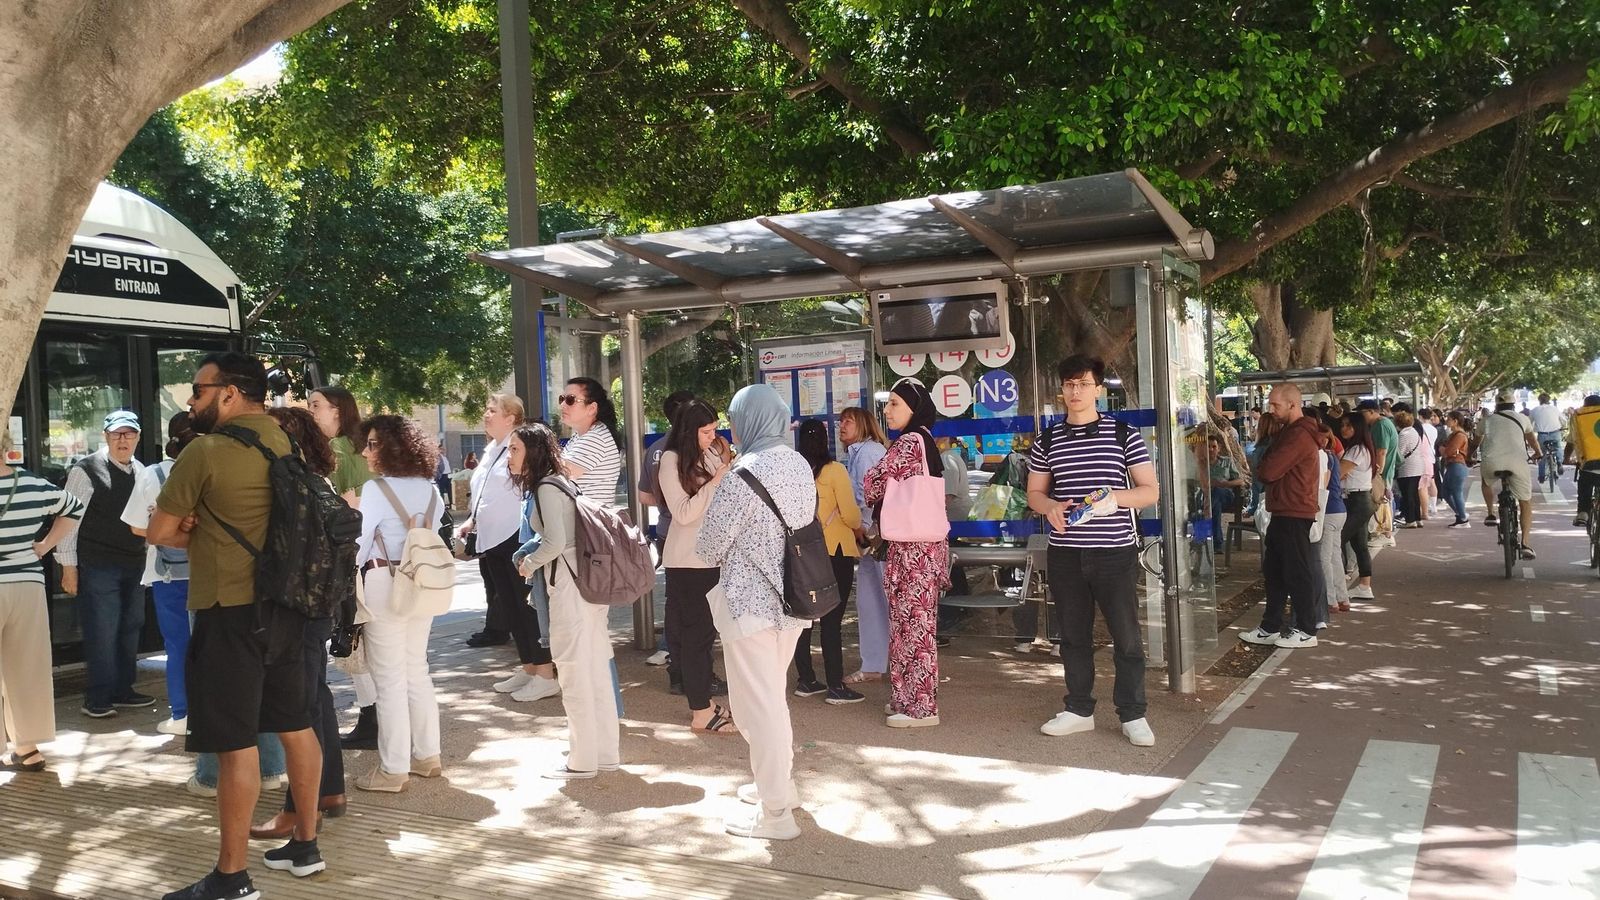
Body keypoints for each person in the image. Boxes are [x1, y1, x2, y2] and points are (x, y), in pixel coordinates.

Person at [149, 352, 326, 900]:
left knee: (233, 745)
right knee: (296, 725)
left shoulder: (204, 451)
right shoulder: (283, 441)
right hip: (287, 608)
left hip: (230, 609)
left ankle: (230, 876)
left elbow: (159, 531)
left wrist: (194, 530)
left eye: (198, 391)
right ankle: (305, 844)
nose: (191, 401)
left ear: (228, 393)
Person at [696, 384, 814, 839]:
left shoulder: (742, 475)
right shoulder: (798, 464)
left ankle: (775, 814)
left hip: (749, 606)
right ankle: (780, 787)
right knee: (770, 702)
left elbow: (708, 547)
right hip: (792, 603)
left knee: (756, 710)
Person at [1026, 355, 1158, 746]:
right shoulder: (1047, 439)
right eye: (1069, 384)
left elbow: (1150, 491)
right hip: (1066, 552)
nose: (1075, 392)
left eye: (1083, 384)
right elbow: (1035, 492)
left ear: (1098, 389)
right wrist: (1049, 506)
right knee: (1072, 636)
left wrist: (1115, 499)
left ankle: (1133, 713)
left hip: (1114, 552)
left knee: (1127, 636)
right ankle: (1078, 708)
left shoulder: (1124, 434)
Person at [513, 423, 620, 780]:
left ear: (532, 453)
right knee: (594, 670)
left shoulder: (545, 487)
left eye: (514, 449)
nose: (509, 456)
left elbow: (555, 542)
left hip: (569, 588)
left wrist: (528, 564)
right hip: (589, 586)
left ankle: (582, 760)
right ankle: (604, 754)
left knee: (573, 672)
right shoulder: (563, 482)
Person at [350, 416, 448, 792]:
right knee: (415, 670)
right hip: (421, 584)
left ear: (391, 447)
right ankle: (427, 755)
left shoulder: (376, 489)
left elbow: (360, 543)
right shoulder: (429, 489)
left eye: (373, 444)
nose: (366, 451)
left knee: (388, 679)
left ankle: (393, 769)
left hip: (384, 581)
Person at [863, 379, 950, 728]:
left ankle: (920, 708)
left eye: (895, 404)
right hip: (921, 548)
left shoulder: (911, 442)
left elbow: (873, 482)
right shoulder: (925, 440)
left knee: (913, 628)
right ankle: (905, 698)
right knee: (908, 626)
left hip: (913, 550)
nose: (887, 411)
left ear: (913, 408)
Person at [0, 424, 84, 773]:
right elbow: (74, 507)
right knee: (27, 667)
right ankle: (28, 746)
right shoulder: (32, 484)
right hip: (27, 584)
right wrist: (45, 546)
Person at [55, 409, 150, 718]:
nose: (123, 440)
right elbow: (69, 520)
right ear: (106, 437)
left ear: (137, 437)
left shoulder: (143, 471)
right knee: (102, 630)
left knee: (130, 627)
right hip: (98, 564)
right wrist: (68, 567)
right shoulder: (86, 470)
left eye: (129, 434)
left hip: (134, 562)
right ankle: (97, 698)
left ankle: (123, 690)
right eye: (116, 434)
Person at [468, 395, 558, 703]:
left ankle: (545, 673)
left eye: (493, 410)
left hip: (512, 538)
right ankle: (529, 666)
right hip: (490, 539)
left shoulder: (517, 445)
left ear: (512, 418)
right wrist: (471, 520)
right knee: (509, 607)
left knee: (525, 607)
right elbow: (485, 492)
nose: (486, 414)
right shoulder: (492, 448)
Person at [307, 386, 383, 752]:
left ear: (338, 411)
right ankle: (378, 716)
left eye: (316, 405)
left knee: (352, 640)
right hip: (374, 555)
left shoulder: (334, 450)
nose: (311, 412)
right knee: (368, 640)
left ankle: (372, 717)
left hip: (351, 556)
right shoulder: (363, 446)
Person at [657, 399, 737, 731]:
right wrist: (717, 481)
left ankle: (703, 703)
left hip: (710, 557)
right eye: (706, 431)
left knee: (704, 637)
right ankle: (701, 711)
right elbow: (684, 513)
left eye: (714, 430)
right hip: (687, 562)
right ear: (689, 431)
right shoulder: (670, 460)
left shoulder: (707, 455)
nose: (711, 437)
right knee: (695, 637)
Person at [121, 411, 198, 735]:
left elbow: (138, 527)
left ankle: (182, 715)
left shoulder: (153, 474)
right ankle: (214, 711)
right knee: (213, 645)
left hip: (168, 574)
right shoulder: (213, 466)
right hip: (212, 570)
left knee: (178, 645)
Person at [1240, 384, 1324, 649]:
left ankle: (1306, 629)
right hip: (1285, 509)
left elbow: (1267, 471)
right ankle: (1270, 626)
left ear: (1293, 404)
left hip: (1294, 510)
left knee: (1296, 571)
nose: (1270, 410)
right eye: (1270, 404)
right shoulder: (1291, 432)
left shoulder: (1298, 435)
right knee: (1275, 571)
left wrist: (1266, 464)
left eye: (1275, 405)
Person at [792, 419, 865, 705]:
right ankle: (836, 685)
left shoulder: (794, 472)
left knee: (803, 618)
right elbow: (851, 515)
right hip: (834, 550)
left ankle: (806, 679)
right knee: (831, 620)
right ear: (825, 440)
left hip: (802, 552)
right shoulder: (835, 471)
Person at [637, 391, 695, 669]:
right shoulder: (695, 448)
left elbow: (643, 496)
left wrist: (667, 500)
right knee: (698, 593)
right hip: (695, 531)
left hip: (666, 529)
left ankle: (669, 648)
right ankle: (691, 648)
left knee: (675, 593)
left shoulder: (656, 448)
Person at [839, 406, 890, 686]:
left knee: (881, 601)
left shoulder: (868, 452)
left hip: (878, 537)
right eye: (841, 421)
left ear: (864, 425)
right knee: (871, 601)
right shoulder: (859, 453)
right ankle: (875, 663)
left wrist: (863, 532)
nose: (842, 426)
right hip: (873, 537)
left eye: (848, 421)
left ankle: (884, 663)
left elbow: (865, 497)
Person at [1479, 390, 1539, 558]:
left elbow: (1476, 442)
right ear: (1514, 405)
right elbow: (1532, 440)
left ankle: (1490, 513)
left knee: (1486, 482)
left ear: (1497, 405)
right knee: (1525, 501)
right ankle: (1526, 543)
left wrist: (1468, 456)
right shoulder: (1523, 418)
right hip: (1517, 463)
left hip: (1491, 462)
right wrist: (1538, 453)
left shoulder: (1487, 420)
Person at [559, 376, 624, 502]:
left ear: (592, 408)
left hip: (588, 520)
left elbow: (558, 476)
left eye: (570, 400)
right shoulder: (581, 436)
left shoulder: (596, 437)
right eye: (562, 399)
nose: (562, 405)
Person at [1339, 413, 1379, 601]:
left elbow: (1338, 473)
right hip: (1358, 499)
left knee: (1336, 541)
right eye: (1343, 425)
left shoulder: (1357, 450)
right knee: (1359, 545)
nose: (1344, 428)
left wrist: (1340, 473)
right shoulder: (1359, 448)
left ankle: (1337, 586)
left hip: (1357, 500)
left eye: (1349, 425)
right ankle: (1364, 586)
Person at [1312, 420, 1347, 622]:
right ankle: (1342, 598)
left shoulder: (1322, 457)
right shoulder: (1333, 456)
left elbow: (1321, 485)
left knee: (1324, 558)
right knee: (1335, 556)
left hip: (1329, 511)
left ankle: (1331, 599)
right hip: (1340, 509)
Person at [1357, 399, 1399, 548]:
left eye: (1362, 413)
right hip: (1385, 471)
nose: (1360, 416)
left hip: (1382, 472)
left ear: (1371, 411)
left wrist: (1377, 472)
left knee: (1381, 502)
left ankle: (1385, 534)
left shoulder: (1380, 425)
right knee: (1383, 501)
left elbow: (1381, 451)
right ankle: (1384, 533)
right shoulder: (1382, 423)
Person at [1569, 396, 1600, 526]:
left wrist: (1566, 459)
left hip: (1589, 466)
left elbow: (1571, 442)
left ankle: (1583, 513)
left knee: (1585, 487)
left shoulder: (1580, 417)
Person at [1393, 408, 1425, 528]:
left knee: (1407, 495)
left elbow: (1399, 453)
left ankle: (1410, 520)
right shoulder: (1414, 431)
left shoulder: (1403, 434)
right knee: (1414, 494)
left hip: (1407, 468)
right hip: (1417, 466)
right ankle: (1417, 518)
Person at [1440, 412, 1472, 526]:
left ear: (1455, 421)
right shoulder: (1453, 434)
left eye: (1448, 419)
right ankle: (1461, 514)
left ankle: (1463, 518)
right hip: (1452, 465)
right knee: (1446, 492)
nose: (1446, 420)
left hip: (1457, 465)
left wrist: (1443, 450)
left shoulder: (1459, 435)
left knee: (1456, 492)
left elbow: (1448, 452)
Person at [1530, 392, 1564, 486]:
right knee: (1558, 448)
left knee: (1541, 454)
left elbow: (1529, 424)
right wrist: (1562, 427)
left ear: (1539, 400)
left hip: (1542, 435)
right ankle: (1560, 462)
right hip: (1555, 433)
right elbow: (1563, 420)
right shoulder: (1554, 409)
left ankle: (1541, 476)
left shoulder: (1534, 410)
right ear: (1549, 400)